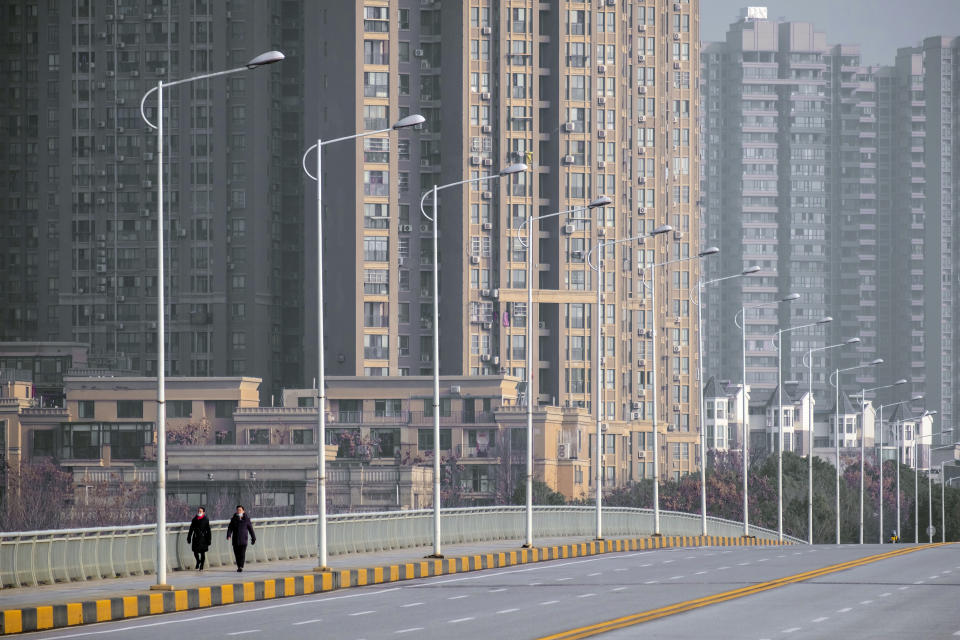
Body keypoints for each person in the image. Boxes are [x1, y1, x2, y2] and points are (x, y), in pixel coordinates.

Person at [226, 505, 256, 572]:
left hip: (243, 540)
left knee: (242, 554)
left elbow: (251, 529)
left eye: (240, 510)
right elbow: (230, 528)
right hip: (235, 540)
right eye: (237, 510)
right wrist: (228, 535)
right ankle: (239, 566)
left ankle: (241, 566)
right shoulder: (233, 519)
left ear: (243, 511)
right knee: (236, 554)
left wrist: (253, 538)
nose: (238, 511)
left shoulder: (246, 519)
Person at [186, 506, 212, 571]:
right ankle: (198, 561)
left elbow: (208, 530)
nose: (199, 512)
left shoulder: (206, 519)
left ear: (203, 512)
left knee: (202, 553)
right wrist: (189, 537)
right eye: (198, 511)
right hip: (195, 538)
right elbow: (191, 529)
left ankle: (201, 566)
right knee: (195, 551)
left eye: (200, 511)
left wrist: (209, 539)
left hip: (203, 538)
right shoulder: (194, 519)